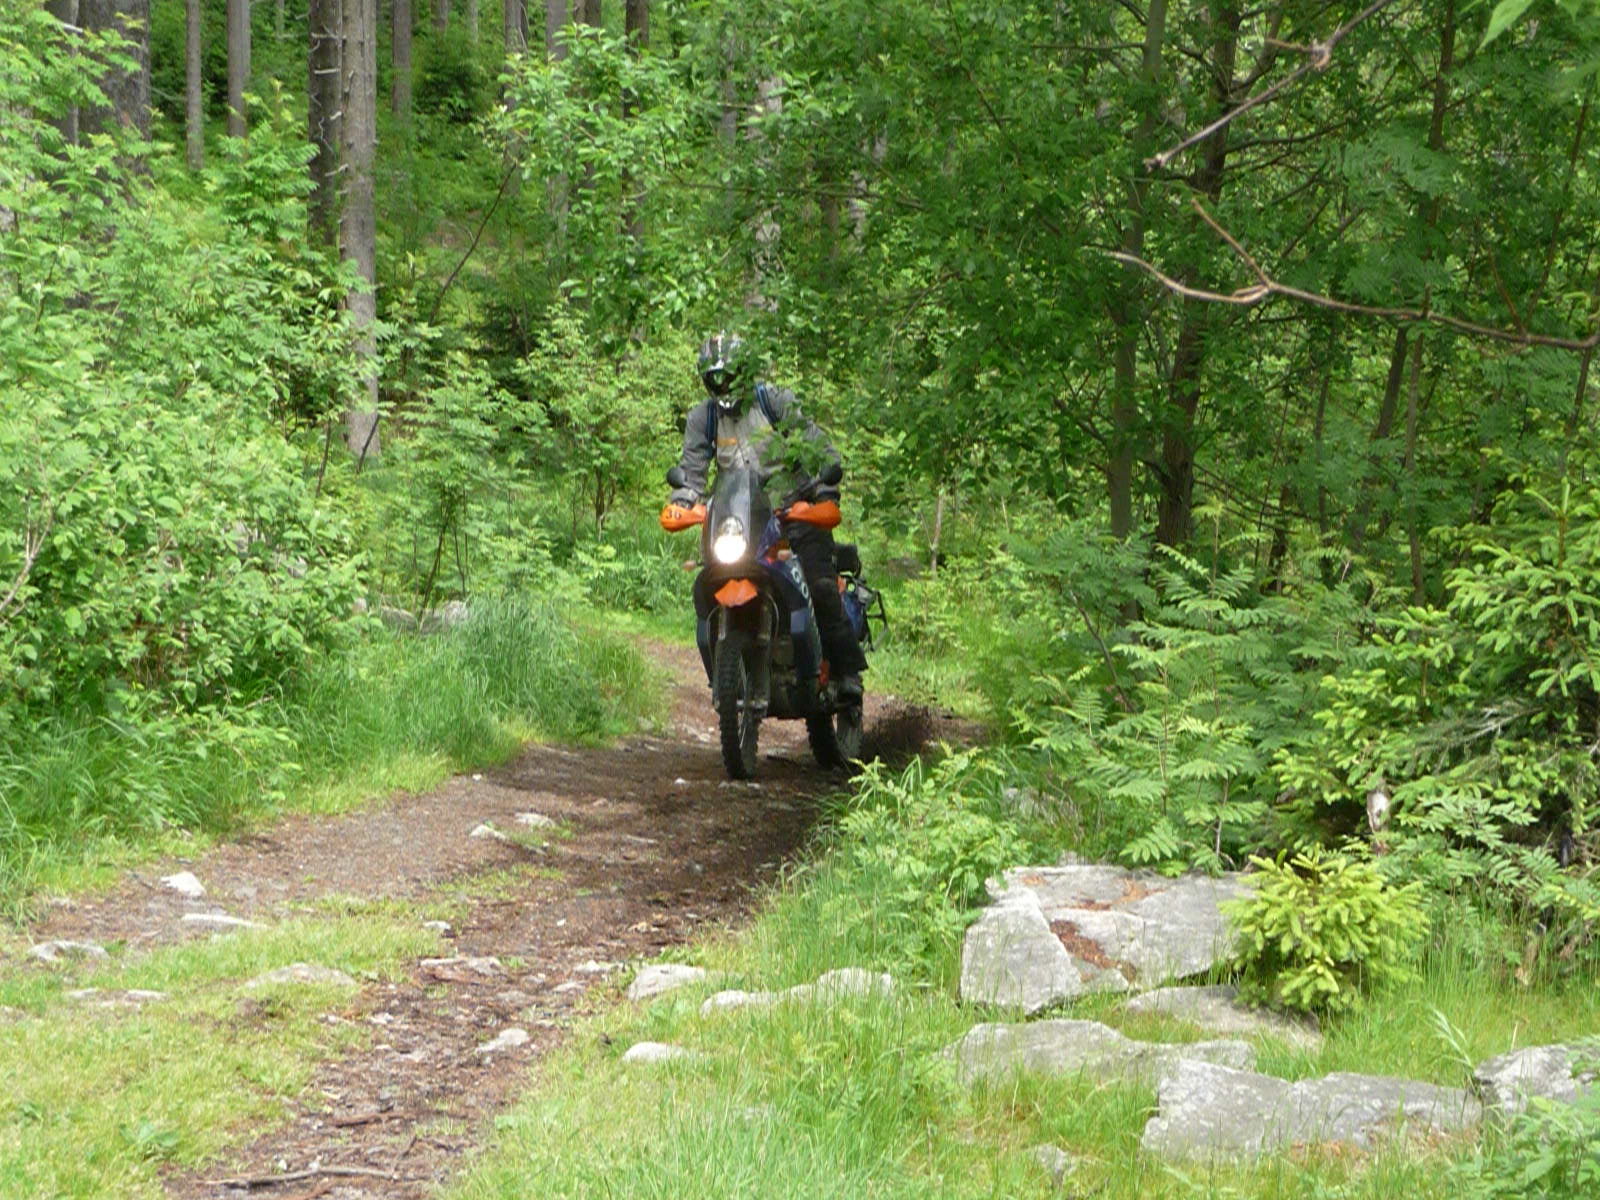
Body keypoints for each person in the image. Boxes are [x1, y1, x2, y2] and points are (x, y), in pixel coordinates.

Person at [669, 332, 866, 700]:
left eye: (728, 376)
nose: (722, 384)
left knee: (820, 587)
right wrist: (682, 502)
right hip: (739, 521)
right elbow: (692, 473)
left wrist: (823, 493)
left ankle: (846, 671)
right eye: (714, 377)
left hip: (793, 513)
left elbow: (817, 449)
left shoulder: (775, 402)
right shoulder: (703, 418)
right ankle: (727, 667)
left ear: (746, 373)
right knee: (707, 580)